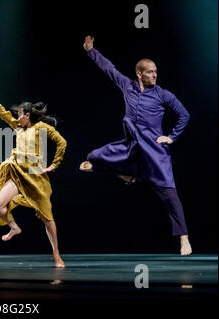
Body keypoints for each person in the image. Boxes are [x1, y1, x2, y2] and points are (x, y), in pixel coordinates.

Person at [79, 36, 192, 255]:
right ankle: (125, 175)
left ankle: (184, 238)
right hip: (130, 146)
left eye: (156, 71)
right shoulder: (127, 86)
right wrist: (91, 51)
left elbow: (184, 114)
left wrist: (172, 136)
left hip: (155, 151)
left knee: (170, 195)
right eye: (150, 72)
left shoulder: (162, 94)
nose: (155, 75)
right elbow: (109, 69)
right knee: (93, 156)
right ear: (139, 73)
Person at [0, 90, 67, 268]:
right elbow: (2, 113)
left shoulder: (41, 128)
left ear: (27, 115)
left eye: (19, 115)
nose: (17, 118)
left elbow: (61, 142)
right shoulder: (18, 127)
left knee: (47, 218)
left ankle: (56, 255)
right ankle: (14, 227)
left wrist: (54, 164)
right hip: (16, 173)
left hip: (35, 176)